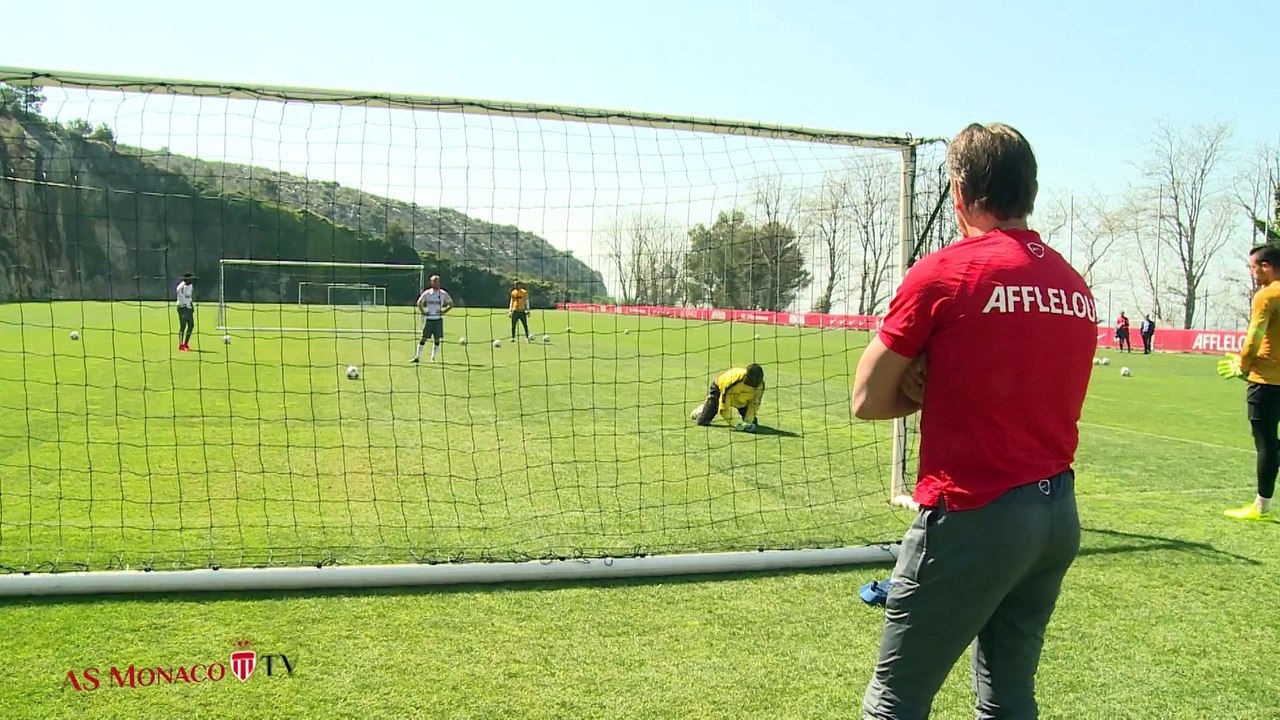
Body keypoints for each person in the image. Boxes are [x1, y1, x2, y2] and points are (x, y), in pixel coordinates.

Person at [852, 122, 1097, 719]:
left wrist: (918, 391)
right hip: (1055, 515)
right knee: (1007, 697)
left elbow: (865, 398)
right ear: (1031, 190)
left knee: (894, 701)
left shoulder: (945, 273)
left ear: (958, 193)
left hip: (974, 514)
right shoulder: (1073, 282)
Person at [1217, 244, 1280, 522]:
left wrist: (1241, 366)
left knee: (1265, 442)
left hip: (1266, 380)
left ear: (1266, 266)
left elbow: (1254, 337)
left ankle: (1261, 507)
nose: (1252, 273)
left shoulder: (1266, 295)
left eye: (1253, 268)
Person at [690, 364, 765, 432]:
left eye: (759, 382)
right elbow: (723, 409)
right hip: (720, 390)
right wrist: (735, 423)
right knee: (702, 422)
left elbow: (754, 404)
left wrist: (748, 421)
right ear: (746, 378)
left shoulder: (760, 385)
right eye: (754, 382)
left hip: (742, 399)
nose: (757, 385)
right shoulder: (732, 382)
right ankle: (702, 409)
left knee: (752, 424)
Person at [412, 275, 454, 363]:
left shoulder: (443, 293)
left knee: (437, 339)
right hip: (429, 319)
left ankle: (433, 357)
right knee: (423, 338)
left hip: (438, 320)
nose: (436, 283)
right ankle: (417, 357)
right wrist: (423, 311)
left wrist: (444, 311)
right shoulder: (427, 293)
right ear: (431, 282)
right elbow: (419, 302)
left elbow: (451, 304)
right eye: (434, 281)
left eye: (437, 281)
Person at [175, 272, 195, 351]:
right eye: (190, 278)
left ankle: (186, 344)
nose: (191, 280)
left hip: (188, 307)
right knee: (183, 325)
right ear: (186, 279)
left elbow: (189, 297)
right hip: (182, 308)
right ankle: (180, 344)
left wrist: (191, 305)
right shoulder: (180, 287)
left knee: (191, 325)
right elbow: (181, 299)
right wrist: (184, 307)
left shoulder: (190, 286)